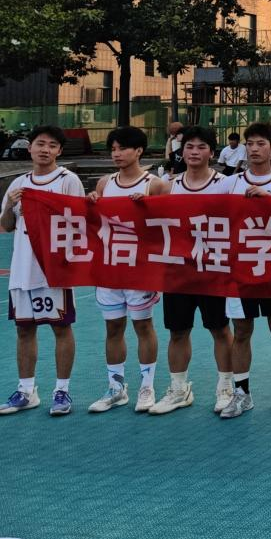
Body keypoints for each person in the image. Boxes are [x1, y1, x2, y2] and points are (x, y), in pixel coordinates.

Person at [0, 125, 85, 415]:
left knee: (61, 327)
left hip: (53, 269)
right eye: (40, 144)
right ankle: (26, 391)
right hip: (22, 269)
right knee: (24, 329)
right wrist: (9, 207)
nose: (45, 149)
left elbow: (79, 221)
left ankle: (62, 391)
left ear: (59, 151)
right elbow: (7, 225)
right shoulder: (18, 184)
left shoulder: (68, 180)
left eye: (51, 145)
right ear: (30, 147)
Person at [150, 126, 234, 416]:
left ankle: (226, 387)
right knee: (177, 331)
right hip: (178, 271)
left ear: (212, 152)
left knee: (220, 329)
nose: (194, 152)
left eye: (201, 147)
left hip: (214, 268)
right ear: (181, 151)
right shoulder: (166, 186)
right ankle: (179, 389)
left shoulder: (227, 185)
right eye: (189, 146)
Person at [86, 126, 168, 413]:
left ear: (139, 151)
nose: (117, 154)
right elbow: (95, 224)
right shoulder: (104, 183)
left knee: (143, 325)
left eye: (122, 148)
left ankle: (147, 386)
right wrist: (91, 203)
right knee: (113, 327)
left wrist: (149, 208)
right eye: (113, 149)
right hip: (110, 267)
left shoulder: (154, 185)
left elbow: (170, 226)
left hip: (140, 268)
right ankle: (116, 387)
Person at [221, 122, 271, 419]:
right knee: (241, 331)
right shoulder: (230, 182)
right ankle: (242, 393)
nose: (254, 149)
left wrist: (268, 200)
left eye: (261, 143)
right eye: (250, 143)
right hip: (240, 268)